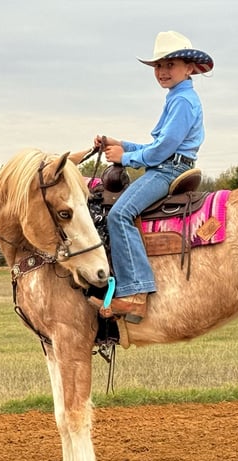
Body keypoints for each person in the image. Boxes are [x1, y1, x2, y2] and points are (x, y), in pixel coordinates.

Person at [91, 30, 213, 324]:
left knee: (119, 215)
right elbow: (155, 147)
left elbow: (162, 151)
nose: (162, 72)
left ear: (189, 68)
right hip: (168, 163)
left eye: (170, 65)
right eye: (159, 66)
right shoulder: (177, 98)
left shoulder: (183, 101)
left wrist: (125, 158)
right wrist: (122, 144)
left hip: (169, 168)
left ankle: (135, 293)